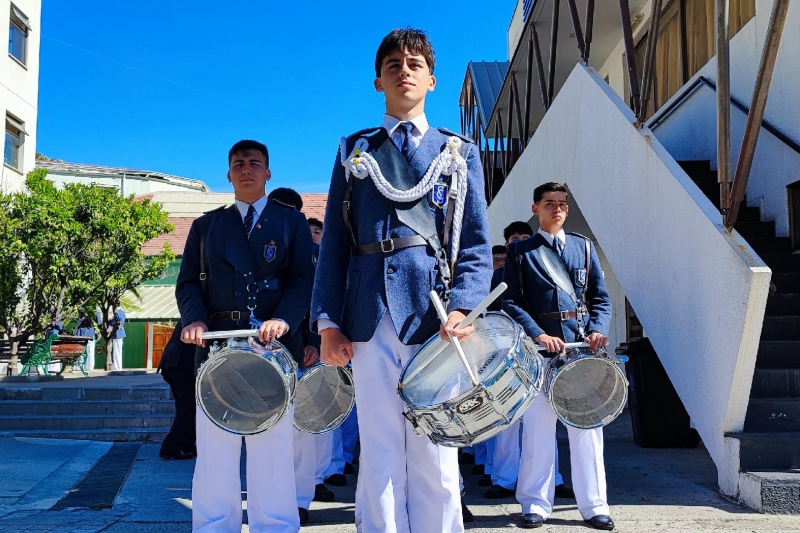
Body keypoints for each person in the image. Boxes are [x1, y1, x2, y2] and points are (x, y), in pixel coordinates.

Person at [311, 27, 492, 533]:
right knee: (381, 447)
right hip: (367, 314)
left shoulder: (458, 153)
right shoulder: (355, 150)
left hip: (434, 318)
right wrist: (327, 321)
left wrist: (463, 306)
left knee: (436, 452)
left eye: (415, 64)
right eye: (393, 63)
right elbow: (335, 245)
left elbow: (475, 245)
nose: (404, 70)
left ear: (432, 80)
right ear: (378, 81)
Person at [176, 140, 315, 533]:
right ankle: (213, 525)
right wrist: (195, 320)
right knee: (216, 449)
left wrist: (286, 320)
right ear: (229, 173)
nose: (247, 169)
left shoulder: (290, 222)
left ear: (268, 172)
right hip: (219, 346)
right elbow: (187, 284)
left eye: (255, 163)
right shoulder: (207, 226)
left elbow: (304, 279)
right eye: (238, 163)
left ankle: (275, 525)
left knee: (271, 449)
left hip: (273, 348)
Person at [502, 183, 613, 530]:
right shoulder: (522, 252)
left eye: (562, 204)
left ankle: (595, 505)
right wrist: (539, 334)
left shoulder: (584, 248)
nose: (558, 209)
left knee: (587, 429)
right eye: (550, 204)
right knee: (538, 430)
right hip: (541, 353)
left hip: (580, 351)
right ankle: (535, 503)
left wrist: (597, 327)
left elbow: (601, 298)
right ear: (535, 209)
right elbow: (511, 301)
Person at [157, 320, 197, 461]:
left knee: (186, 406)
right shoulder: (198, 315)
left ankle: (185, 445)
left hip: (174, 362)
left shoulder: (193, 314)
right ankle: (171, 447)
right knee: (189, 406)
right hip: (181, 363)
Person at [110, 300, 126, 371]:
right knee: (117, 351)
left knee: (117, 352)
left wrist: (110, 321)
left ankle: (117, 368)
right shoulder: (121, 312)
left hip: (117, 333)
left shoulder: (117, 313)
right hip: (118, 333)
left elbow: (117, 323)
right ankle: (117, 367)